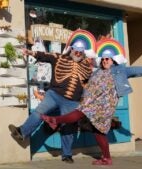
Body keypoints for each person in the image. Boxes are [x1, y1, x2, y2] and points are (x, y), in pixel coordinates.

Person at [41, 38, 142, 165]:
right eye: (103, 59)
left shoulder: (119, 70)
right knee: (97, 131)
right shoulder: (97, 71)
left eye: (107, 59)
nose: (105, 61)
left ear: (113, 60)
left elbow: (135, 70)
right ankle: (107, 158)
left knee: (84, 116)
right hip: (92, 102)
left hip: (105, 106)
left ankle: (55, 120)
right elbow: (86, 81)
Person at [8, 29, 97, 163]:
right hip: (54, 94)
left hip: (72, 102)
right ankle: (22, 132)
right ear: (71, 49)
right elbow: (45, 55)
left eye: (80, 51)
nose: (78, 53)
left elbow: (88, 84)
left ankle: (67, 154)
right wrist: (30, 52)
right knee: (39, 112)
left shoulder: (86, 66)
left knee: (69, 126)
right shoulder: (59, 57)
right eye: (76, 50)